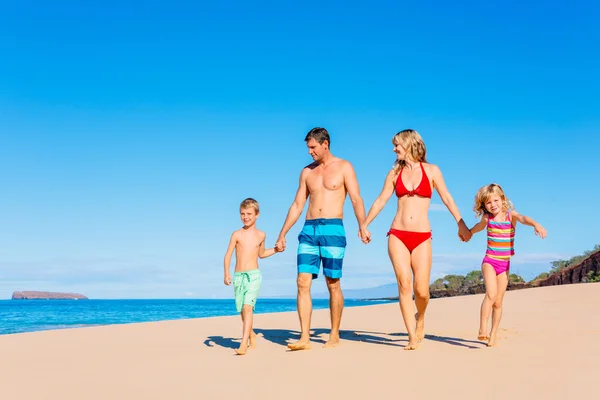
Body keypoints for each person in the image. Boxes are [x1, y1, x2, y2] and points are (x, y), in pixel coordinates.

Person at [360, 129, 471, 350]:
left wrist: (461, 223)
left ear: (410, 144)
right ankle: (411, 336)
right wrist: (365, 224)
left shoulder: (431, 171)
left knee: (422, 291)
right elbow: (382, 199)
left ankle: (420, 317)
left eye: (397, 145)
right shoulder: (393, 174)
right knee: (404, 284)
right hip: (397, 234)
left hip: (422, 236)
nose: (394, 149)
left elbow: (447, 197)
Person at [275, 127, 367, 350]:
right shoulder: (307, 172)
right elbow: (298, 204)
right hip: (309, 230)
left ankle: (334, 333)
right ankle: (305, 337)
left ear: (325, 144)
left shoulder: (344, 167)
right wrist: (283, 232)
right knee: (301, 282)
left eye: (313, 147)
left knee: (332, 283)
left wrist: (362, 225)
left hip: (333, 229)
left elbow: (356, 199)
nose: (310, 152)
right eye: (308, 148)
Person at [468, 183, 546, 347]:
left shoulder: (511, 216)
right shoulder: (487, 218)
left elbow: (524, 218)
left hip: (504, 265)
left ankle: (493, 333)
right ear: (484, 205)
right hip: (489, 261)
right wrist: (469, 233)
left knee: (498, 302)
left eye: (495, 200)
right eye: (488, 203)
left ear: (502, 199)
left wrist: (536, 224)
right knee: (490, 294)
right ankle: (483, 328)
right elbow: (478, 227)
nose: (493, 205)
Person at [223, 198, 281, 355]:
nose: (245, 217)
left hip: (254, 276)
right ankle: (252, 334)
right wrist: (226, 273)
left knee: (248, 308)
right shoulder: (236, 234)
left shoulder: (261, 235)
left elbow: (261, 254)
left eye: (249, 213)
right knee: (242, 309)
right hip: (239, 276)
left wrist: (275, 250)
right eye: (242, 214)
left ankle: (244, 343)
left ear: (257, 215)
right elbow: (228, 255)